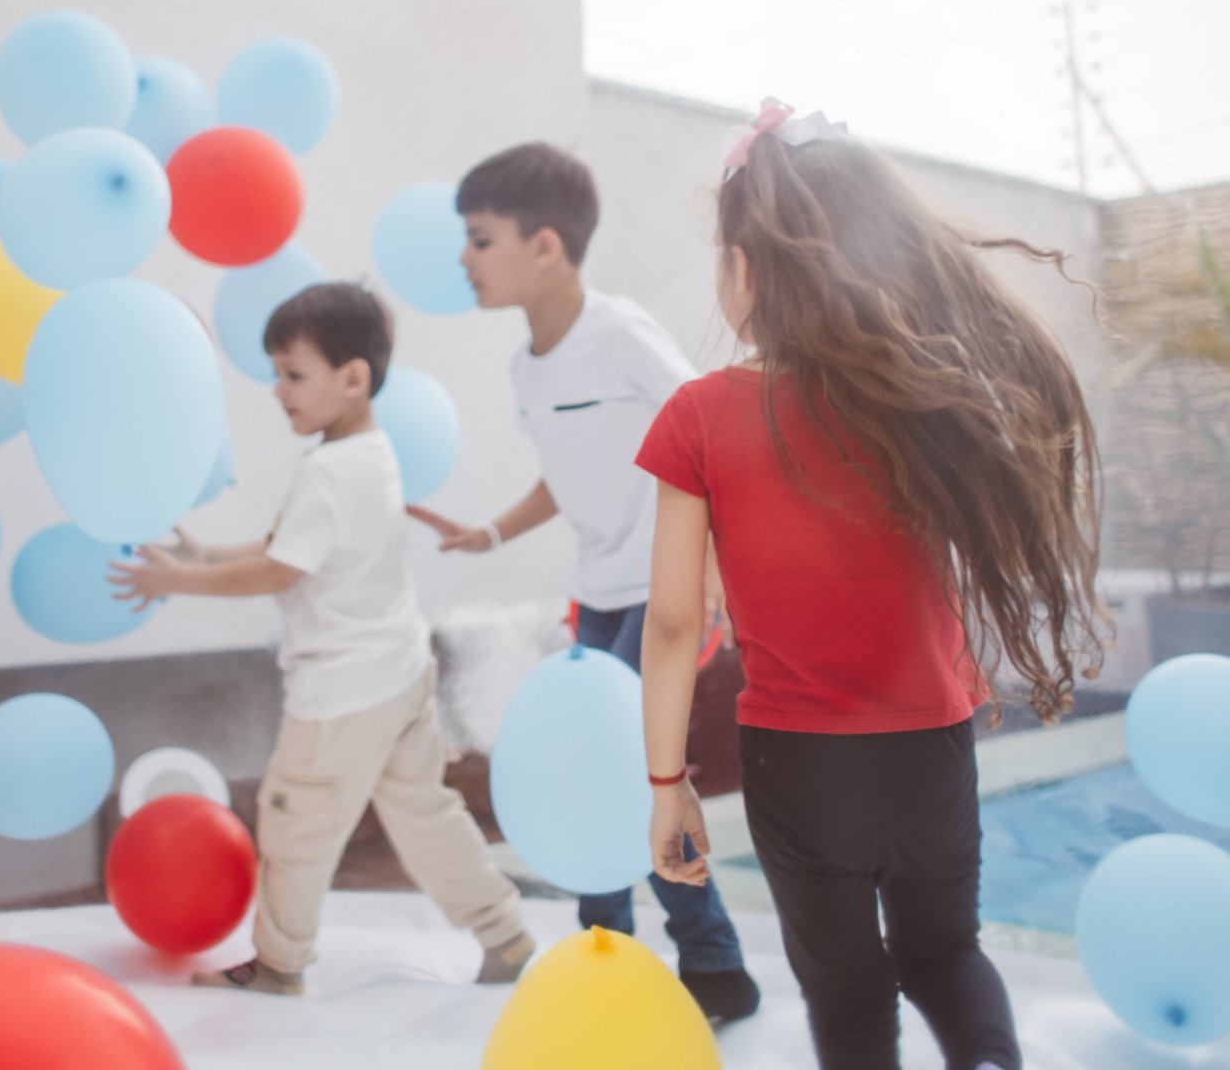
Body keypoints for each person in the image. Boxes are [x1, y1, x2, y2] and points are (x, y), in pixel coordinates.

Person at [638, 99, 1109, 1069]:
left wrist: (667, 784)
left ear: (747, 267)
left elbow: (675, 621)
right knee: (948, 952)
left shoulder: (698, 417)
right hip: (931, 743)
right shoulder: (923, 397)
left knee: (849, 998)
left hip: (800, 766)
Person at [410, 141, 758, 1023]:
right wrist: (490, 531)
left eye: (479, 239)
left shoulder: (620, 333)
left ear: (546, 246)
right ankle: (609, 960)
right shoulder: (527, 366)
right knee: (589, 775)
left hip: (661, 592)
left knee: (633, 779)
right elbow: (569, 475)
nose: (463, 259)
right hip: (598, 594)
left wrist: (711, 568)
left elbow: (711, 432)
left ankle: (716, 969)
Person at [109, 282, 534, 995]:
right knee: (425, 812)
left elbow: (278, 570)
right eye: (276, 373)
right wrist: (205, 553)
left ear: (353, 378)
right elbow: (293, 546)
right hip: (398, 672)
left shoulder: (331, 472)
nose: (278, 391)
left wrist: (175, 582)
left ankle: (278, 965)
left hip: (345, 692)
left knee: (294, 826)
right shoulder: (369, 453)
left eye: (292, 374)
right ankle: (507, 935)